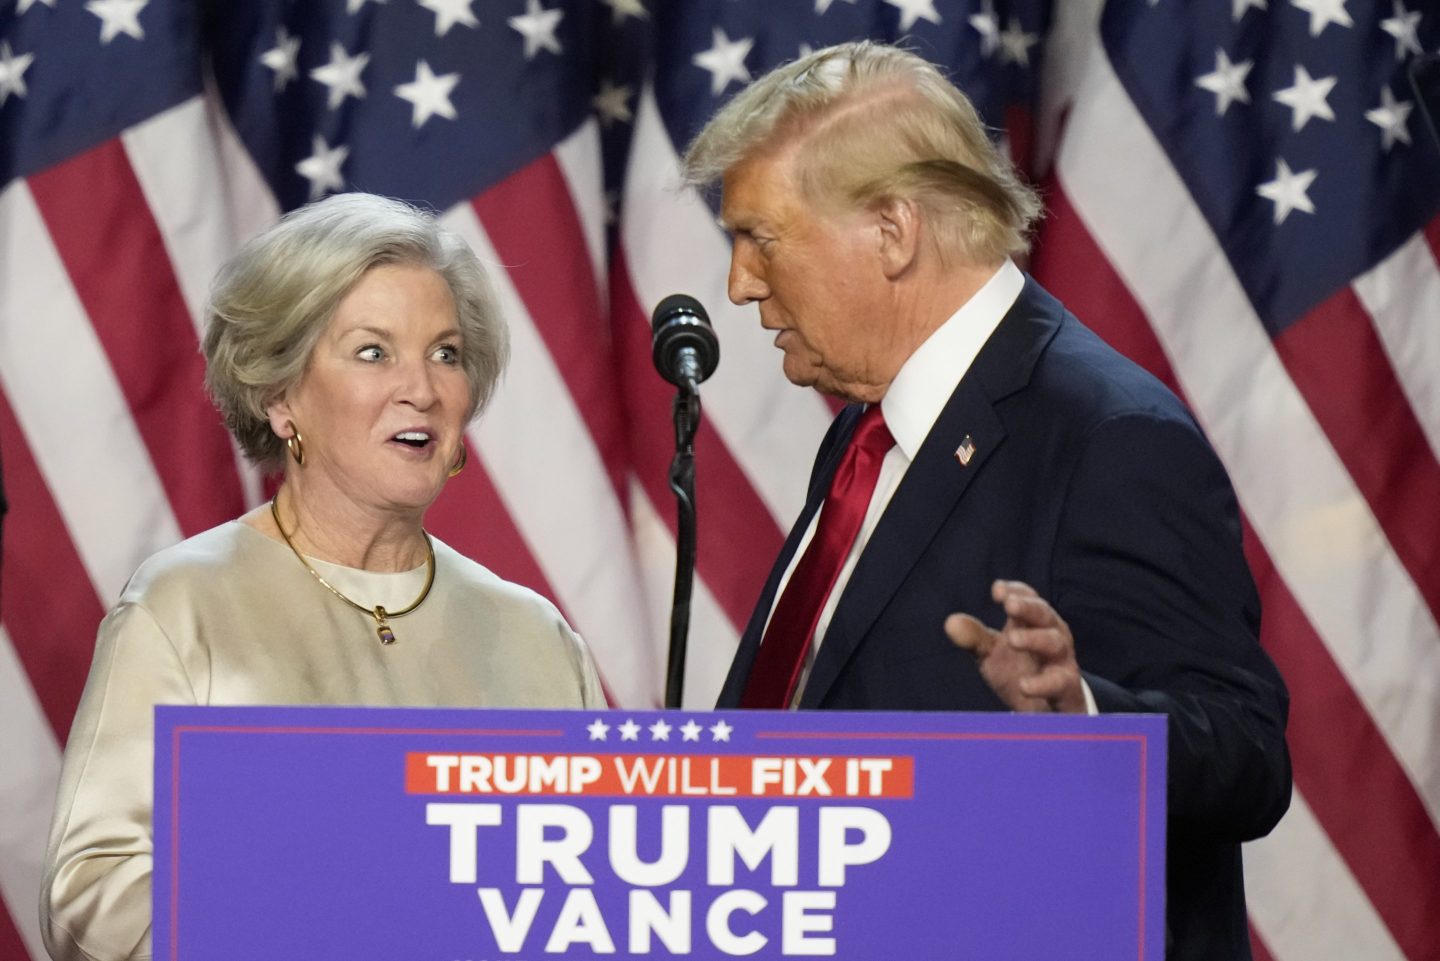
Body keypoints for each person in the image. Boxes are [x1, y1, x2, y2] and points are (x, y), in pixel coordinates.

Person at [684, 42, 1290, 961]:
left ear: (892, 230)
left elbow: (1249, 753)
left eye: (760, 238)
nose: (737, 284)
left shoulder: (1108, 435)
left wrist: (1087, 716)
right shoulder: (866, 435)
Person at [40, 193, 606, 961]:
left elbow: (594, 899)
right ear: (280, 395)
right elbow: (90, 896)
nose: (424, 388)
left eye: (446, 353)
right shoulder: (184, 605)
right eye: (374, 351)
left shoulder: (537, 636)